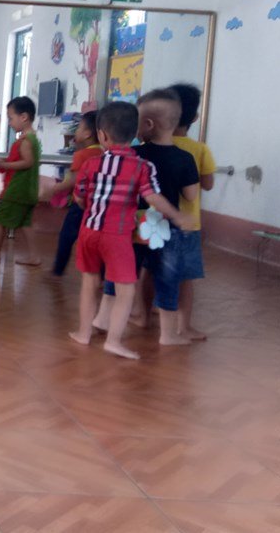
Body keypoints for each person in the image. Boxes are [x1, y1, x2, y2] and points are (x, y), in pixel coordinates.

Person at [69, 101, 194, 360]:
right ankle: (113, 341)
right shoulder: (142, 167)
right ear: (135, 133)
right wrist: (177, 215)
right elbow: (153, 197)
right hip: (116, 236)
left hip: (89, 231)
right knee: (126, 290)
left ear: (101, 135)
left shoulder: (91, 164)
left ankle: (83, 333)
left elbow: (79, 197)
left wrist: (91, 203)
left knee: (89, 283)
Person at [130, 89, 199, 345]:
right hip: (167, 227)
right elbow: (191, 195)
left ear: (148, 124)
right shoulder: (185, 158)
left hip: (136, 224)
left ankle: (140, 316)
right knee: (168, 278)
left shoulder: (135, 154)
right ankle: (168, 335)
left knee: (135, 272)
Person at [169, 82, 216, 341]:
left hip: (153, 220)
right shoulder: (199, 149)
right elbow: (207, 184)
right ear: (195, 117)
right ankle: (183, 326)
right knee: (185, 277)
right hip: (187, 223)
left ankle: (142, 312)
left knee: (149, 269)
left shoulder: (152, 145)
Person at [0, 96, 41, 265]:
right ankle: (34, 256)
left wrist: (2, 164)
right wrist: (1, 162)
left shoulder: (25, 141)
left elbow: (27, 162)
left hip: (17, 190)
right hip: (28, 190)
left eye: (11, 118)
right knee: (26, 223)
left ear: (24, 117)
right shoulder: (32, 139)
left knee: (0, 219)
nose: (10, 123)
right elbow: (20, 160)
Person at [46, 111, 102, 276]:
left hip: (80, 204)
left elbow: (73, 181)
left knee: (67, 236)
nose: (75, 132)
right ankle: (101, 273)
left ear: (87, 134)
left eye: (78, 128)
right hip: (98, 204)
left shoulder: (81, 155)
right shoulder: (103, 153)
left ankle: (58, 269)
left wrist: (52, 189)